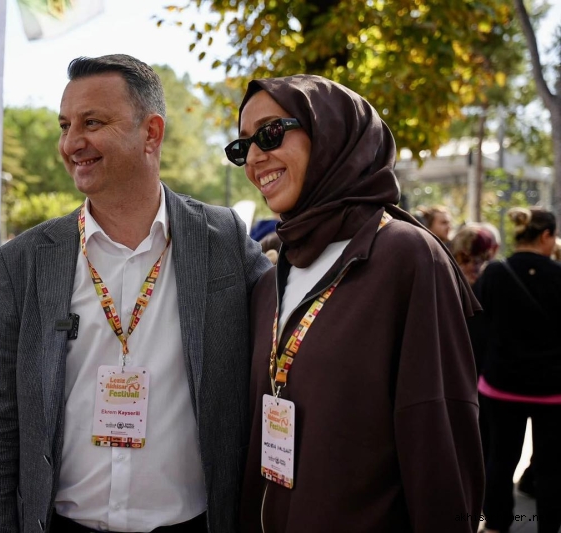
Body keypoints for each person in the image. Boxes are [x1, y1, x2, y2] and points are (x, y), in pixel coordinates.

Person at [0, 54, 270, 533]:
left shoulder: (224, 242)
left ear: (151, 132)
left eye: (92, 123)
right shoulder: (22, 262)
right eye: (65, 125)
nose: (71, 142)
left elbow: (291, 336)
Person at [226, 75, 484, 532]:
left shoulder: (405, 257)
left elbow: (437, 435)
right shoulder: (271, 278)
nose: (254, 158)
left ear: (331, 133)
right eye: (242, 146)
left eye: (270, 133)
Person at [473, 207, 561, 533]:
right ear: (546, 235)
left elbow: (478, 326)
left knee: (500, 459)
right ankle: (549, 526)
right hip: (552, 389)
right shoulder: (558, 275)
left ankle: (496, 525)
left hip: (501, 384)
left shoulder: (495, 273)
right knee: (552, 467)